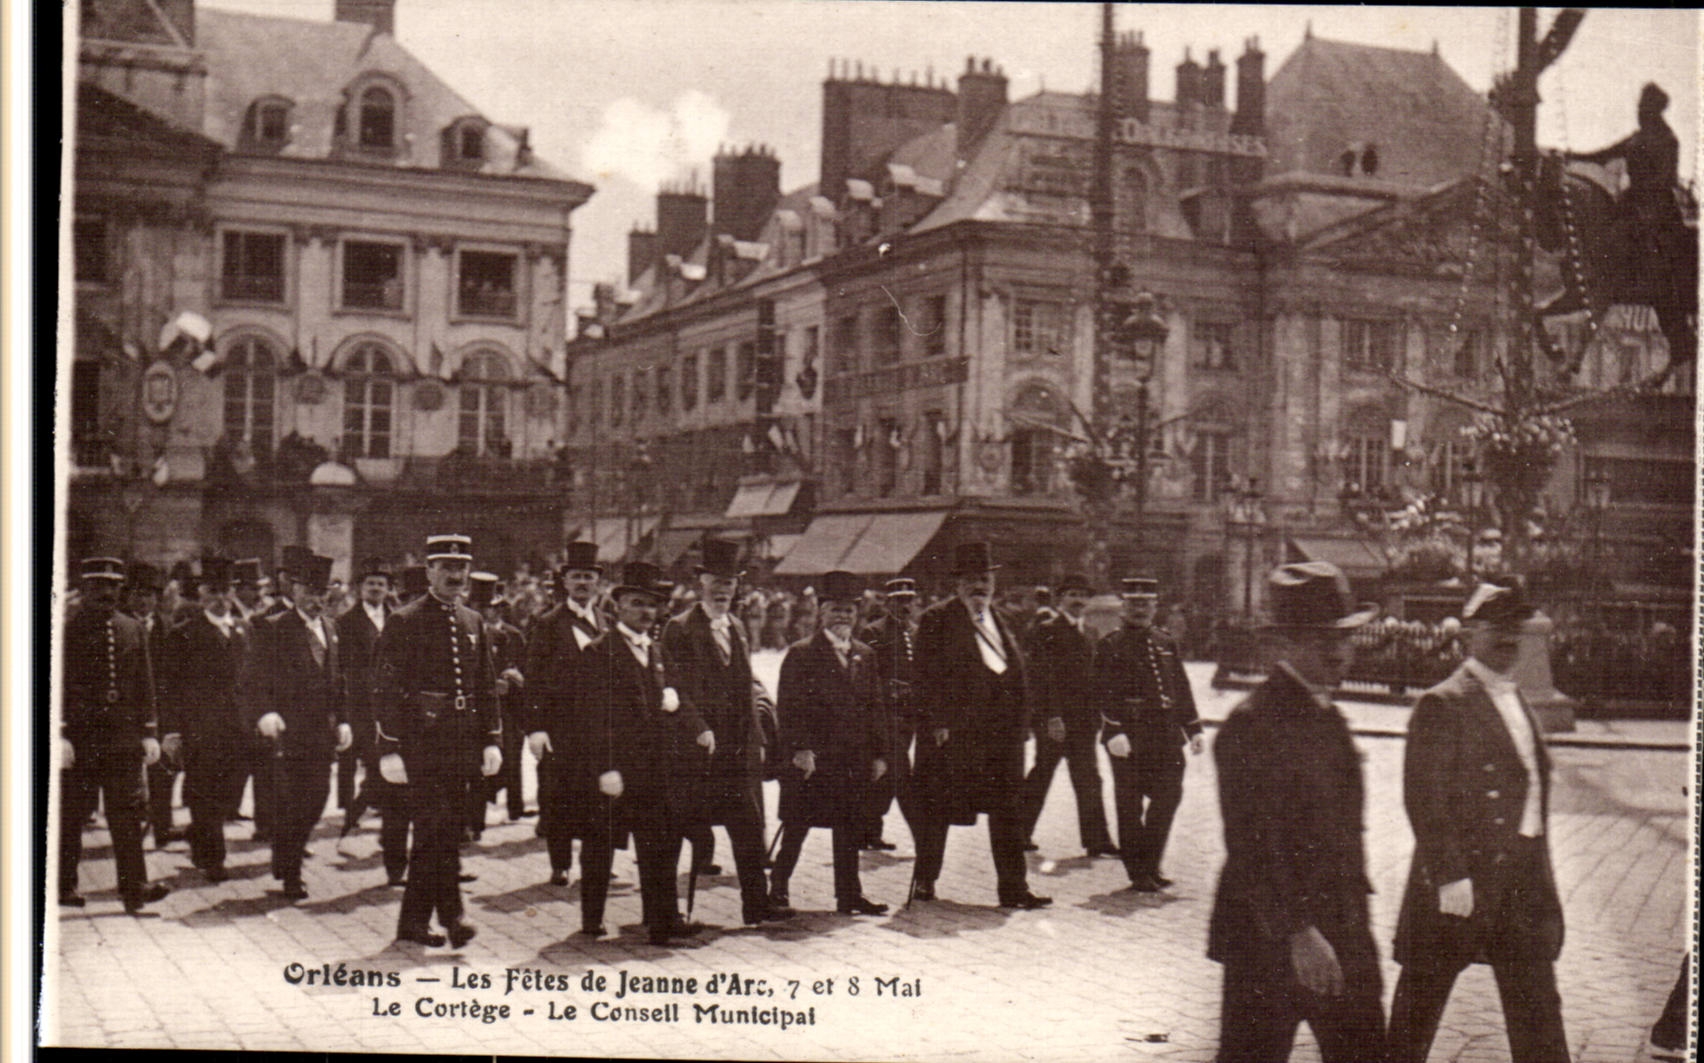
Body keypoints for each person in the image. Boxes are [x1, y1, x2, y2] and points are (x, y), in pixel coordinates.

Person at [1208, 561, 1386, 1063]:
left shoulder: (1327, 716)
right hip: (1268, 938)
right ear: (1282, 645)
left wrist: (1351, 929)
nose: (1337, 651)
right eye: (1318, 640)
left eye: (1344, 637)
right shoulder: (1252, 725)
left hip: (1342, 926)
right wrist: (1299, 932)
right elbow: (1250, 848)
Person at [1388, 578, 1570, 1063]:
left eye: (1516, 627)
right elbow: (1423, 796)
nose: (1509, 638)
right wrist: (1450, 876)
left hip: (1520, 882)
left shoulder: (1517, 699)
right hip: (1460, 885)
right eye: (1496, 628)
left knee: (1539, 1017)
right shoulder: (1444, 702)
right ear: (1470, 633)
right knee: (1416, 1016)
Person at [566, 561, 715, 945]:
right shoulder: (599, 652)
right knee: (601, 847)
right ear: (618, 606)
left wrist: (699, 728)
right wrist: (604, 768)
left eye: (652, 605)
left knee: (660, 843)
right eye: (636, 604)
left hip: (655, 766)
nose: (645, 612)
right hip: (615, 768)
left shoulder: (658, 650)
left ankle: (663, 920)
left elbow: (680, 696)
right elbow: (587, 718)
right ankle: (592, 918)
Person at [372, 534, 503, 948]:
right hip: (421, 745)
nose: (455, 575)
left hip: (461, 744)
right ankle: (450, 916)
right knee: (434, 830)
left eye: (461, 567)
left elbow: (484, 685)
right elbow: (384, 688)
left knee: (441, 835)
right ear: (429, 571)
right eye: (446, 567)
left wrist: (491, 739)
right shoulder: (405, 619)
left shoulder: (472, 621)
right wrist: (389, 746)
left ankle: (424, 921)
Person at [910, 542, 1050, 909]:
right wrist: (937, 721)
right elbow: (923, 677)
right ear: (958, 585)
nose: (979, 587)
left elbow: (1018, 675)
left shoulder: (1001, 619)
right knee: (938, 810)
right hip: (956, 736)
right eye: (972, 580)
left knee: (1008, 813)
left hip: (1002, 740)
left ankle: (1013, 889)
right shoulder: (937, 619)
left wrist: (1024, 727)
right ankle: (924, 880)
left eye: (985, 579)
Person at [659, 539, 788, 926]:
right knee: (681, 830)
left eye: (729, 583)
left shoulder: (735, 626)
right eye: (715, 581)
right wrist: (697, 728)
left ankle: (756, 905)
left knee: (748, 832)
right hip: (699, 752)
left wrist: (758, 740)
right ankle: (665, 912)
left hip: (737, 752)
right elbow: (673, 687)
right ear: (701, 583)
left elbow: (745, 683)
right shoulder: (679, 628)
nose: (723, 590)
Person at [770, 570, 890, 916]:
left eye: (849, 610)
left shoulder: (864, 655)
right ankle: (777, 889)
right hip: (814, 759)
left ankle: (849, 894)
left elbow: (875, 706)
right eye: (835, 609)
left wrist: (880, 753)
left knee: (849, 828)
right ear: (821, 612)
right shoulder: (802, 653)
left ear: (857, 615)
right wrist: (799, 750)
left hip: (852, 760)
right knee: (797, 826)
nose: (843, 616)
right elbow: (789, 707)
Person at [59, 557, 170, 914]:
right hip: (81, 740)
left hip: (123, 740)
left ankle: (135, 889)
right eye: (97, 586)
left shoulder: (132, 628)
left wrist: (149, 732)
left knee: (127, 814)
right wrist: (60, 735)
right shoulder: (66, 629)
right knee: (72, 815)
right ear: (85, 588)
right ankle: (63, 886)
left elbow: (144, 683)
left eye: (112, 586)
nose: (105, 593)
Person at [245, 551, 352, 901]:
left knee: (317, 801)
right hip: (288, 733)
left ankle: (285, 850)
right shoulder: (273, 627)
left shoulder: (332, 628)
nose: (315, 599)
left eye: (321, 593)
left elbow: (339, 681)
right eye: (308, 591)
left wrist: (344, 720)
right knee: (291, 803)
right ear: (293, 591)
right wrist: (264, 712)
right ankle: (291, 874)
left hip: (321, 733)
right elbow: (253, 678)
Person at [1097, 575, 1203, 889]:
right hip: (1128, 736)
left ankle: (1151, 862)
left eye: (1146, 603)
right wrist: (1113, 730)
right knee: (1130, 806)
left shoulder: (1165, 641)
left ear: (1155, 606)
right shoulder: (1110, 644)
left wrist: (1194, 728)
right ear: (1123, 606)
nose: (1140, 609)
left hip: (1167, 735)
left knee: (1168, 797)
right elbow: (1100, 691)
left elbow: (1180, 688)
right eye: (1133, 603)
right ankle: (1138, 871)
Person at [158, 558, 248, 884]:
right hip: (200, 729)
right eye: (212, 592)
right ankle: (214, 859)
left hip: (238, 730)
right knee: (205, 791)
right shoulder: (185, 633)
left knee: (225, 794)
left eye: (225, 591)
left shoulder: (243, 630)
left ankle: (199, 834)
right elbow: (169, 686)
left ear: (233, 592)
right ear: (201, 594)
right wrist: (171, 731)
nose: (220, 599)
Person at [1019, 572, 1117, 859]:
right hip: (1056, 720)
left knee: (1089, 778)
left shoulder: (1090, 632)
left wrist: (1101, 712)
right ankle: (1018, 832)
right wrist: (1051, 716)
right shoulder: (1046, 629)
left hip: (1084, 720)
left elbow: (1096, 676)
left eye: (1083, 595)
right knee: (1042, 773)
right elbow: (1041, 677)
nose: (1078, 600)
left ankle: (1097, 840)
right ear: (1060, 598)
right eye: (1073, 595)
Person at [524, 540, 604, 887]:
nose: (583, 583)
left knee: (596, 796)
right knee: (559, 797)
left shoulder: (607, 621)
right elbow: (535, 680)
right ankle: (560, 864)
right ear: (565, 583)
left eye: (588, 577)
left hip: (599, 728)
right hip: (561, 727)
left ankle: (595, 859)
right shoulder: (548, 624)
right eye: (576, 577)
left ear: (597, 583)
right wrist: (536, 728)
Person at [335, 556, 403, 878]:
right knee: (379, 771)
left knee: (383, 774)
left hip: (393, 711)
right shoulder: (347, 623)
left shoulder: (399, 618)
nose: (376, 589)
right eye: (370, 584)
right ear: (361, 588)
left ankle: (357, 822)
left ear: (389, 589)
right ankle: (355, 823)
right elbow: (344, 669)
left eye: (381, 584)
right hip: (363, 710)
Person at [858, 576, 922, 852]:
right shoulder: (873, 632)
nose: (905, 606)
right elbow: (864, 674)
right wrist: (889, 688)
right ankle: (923, 837)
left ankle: (870, 831)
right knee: (900, 773)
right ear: (887, 603)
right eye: (899, 601)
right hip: (885, 715)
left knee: (886, 776)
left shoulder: (917, 631)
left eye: (909, 600)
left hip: (909, 715)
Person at [467, 572, 527, 831]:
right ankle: (475, 821)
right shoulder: (467, 632)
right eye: (481, 608)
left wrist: (513, 681)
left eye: (491, 607)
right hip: (478, 708)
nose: (487, 613)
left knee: (512, 758)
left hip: (510, 709)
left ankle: (515, 806)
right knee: (479, 763)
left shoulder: (514, 635)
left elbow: (527, 669)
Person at [126, 562, 181, 850]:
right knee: (129, 777)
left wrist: (173, 723)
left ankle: (163, 826)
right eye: (138, 594)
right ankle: (131, 830)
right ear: (128, 596)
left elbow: (177, 677)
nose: (144, 600)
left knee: (163, 772)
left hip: (162, 712)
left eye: (149, 595)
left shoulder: (167, 627)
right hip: (128, 715)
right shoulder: (119, 624)